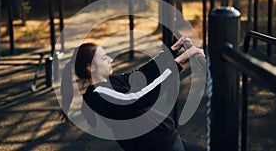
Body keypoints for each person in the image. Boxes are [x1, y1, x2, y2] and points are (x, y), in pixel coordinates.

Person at [60, 37, 206, 151]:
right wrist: (178, 62)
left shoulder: (109, 82)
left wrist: (171, 51)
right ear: (90, 67)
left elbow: (140, 76)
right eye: (104, 58)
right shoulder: (99, 95)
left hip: (166, 139)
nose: (111, 60)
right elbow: (138, 98)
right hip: (157, 145)